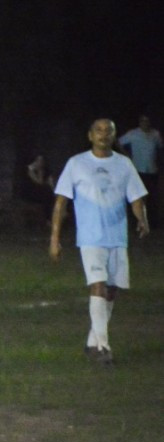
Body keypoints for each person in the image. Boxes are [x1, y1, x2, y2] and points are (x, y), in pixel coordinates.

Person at [50, 118, 150, 365]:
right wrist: (55, 239)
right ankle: (104, 348)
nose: (103, 135)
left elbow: (136, 197)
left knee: (112, 290)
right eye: (99, 130)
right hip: (90, 238)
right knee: (98, 286)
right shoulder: (77, 164)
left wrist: (142, 220)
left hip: (117, 237)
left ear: (114, 136)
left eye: (108, 131)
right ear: (90, 135)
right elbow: (61, 203)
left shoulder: (123, 164)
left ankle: (92, 342)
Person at [118, 115, 162, 226]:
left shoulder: (155, 134)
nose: (145, 123)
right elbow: (118, 142)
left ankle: (152, 221)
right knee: (137, 196)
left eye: (147, 121)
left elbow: (160, 146)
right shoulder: (133, 133)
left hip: (152, 169)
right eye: (143, 121)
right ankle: (136, 220)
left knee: (151, 195)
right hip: (138, 169)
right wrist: (126, 155)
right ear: (140, 122)